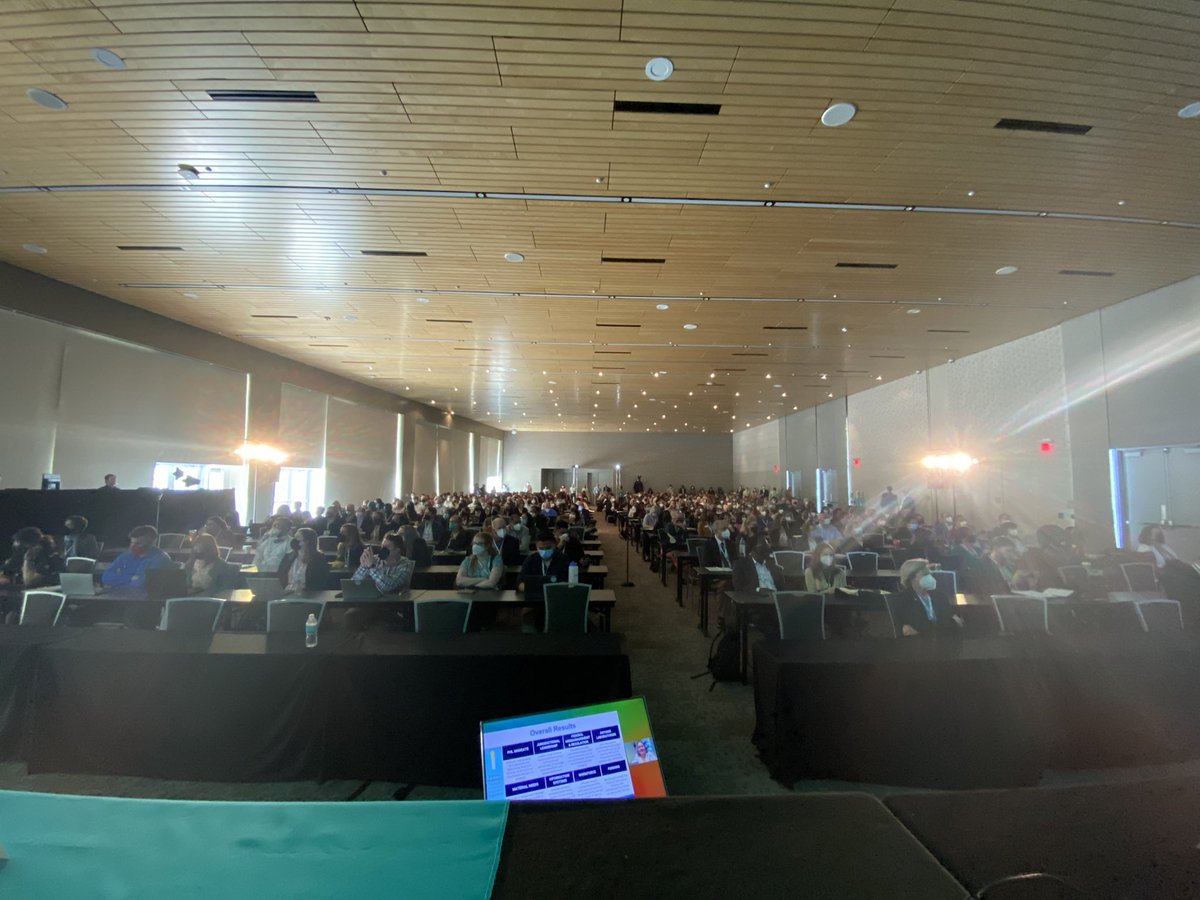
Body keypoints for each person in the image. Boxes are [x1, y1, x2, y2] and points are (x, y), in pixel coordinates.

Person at [892, 558, 963, 638]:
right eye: (925, 574)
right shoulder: (903, 599)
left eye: (930, 573)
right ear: (913, 577)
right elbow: (916, 626)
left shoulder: (939, 596)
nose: (930, 576)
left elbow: (951, 622)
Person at [101, 525, 171, 589]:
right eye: (132, 542)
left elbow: (142, 584)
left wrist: (117, 581)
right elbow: (106, 577)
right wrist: (130, 578)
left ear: (152, 543)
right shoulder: (126, 556)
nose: (133, 546)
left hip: (143, 600)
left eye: (138, 543)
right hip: (119, 596)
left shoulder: (161, 559)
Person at [517, 531, 570, 599]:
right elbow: (519, 583)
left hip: (557, 597)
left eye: (548, 548)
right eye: (541, 548)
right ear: (536, 546)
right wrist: (535, 590)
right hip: (534, 599)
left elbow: (568, 582)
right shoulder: (530, 560)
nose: (544, 551)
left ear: (555, 545)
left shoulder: (563, 559)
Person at [277, 527, 330, 593]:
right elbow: (281, 574)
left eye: (298, 538)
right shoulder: (289, 556)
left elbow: (319, 580)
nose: (294, 540)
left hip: (309, 593)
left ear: (307, 541)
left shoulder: (317, 558)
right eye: (294, 537)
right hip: (287, 592)